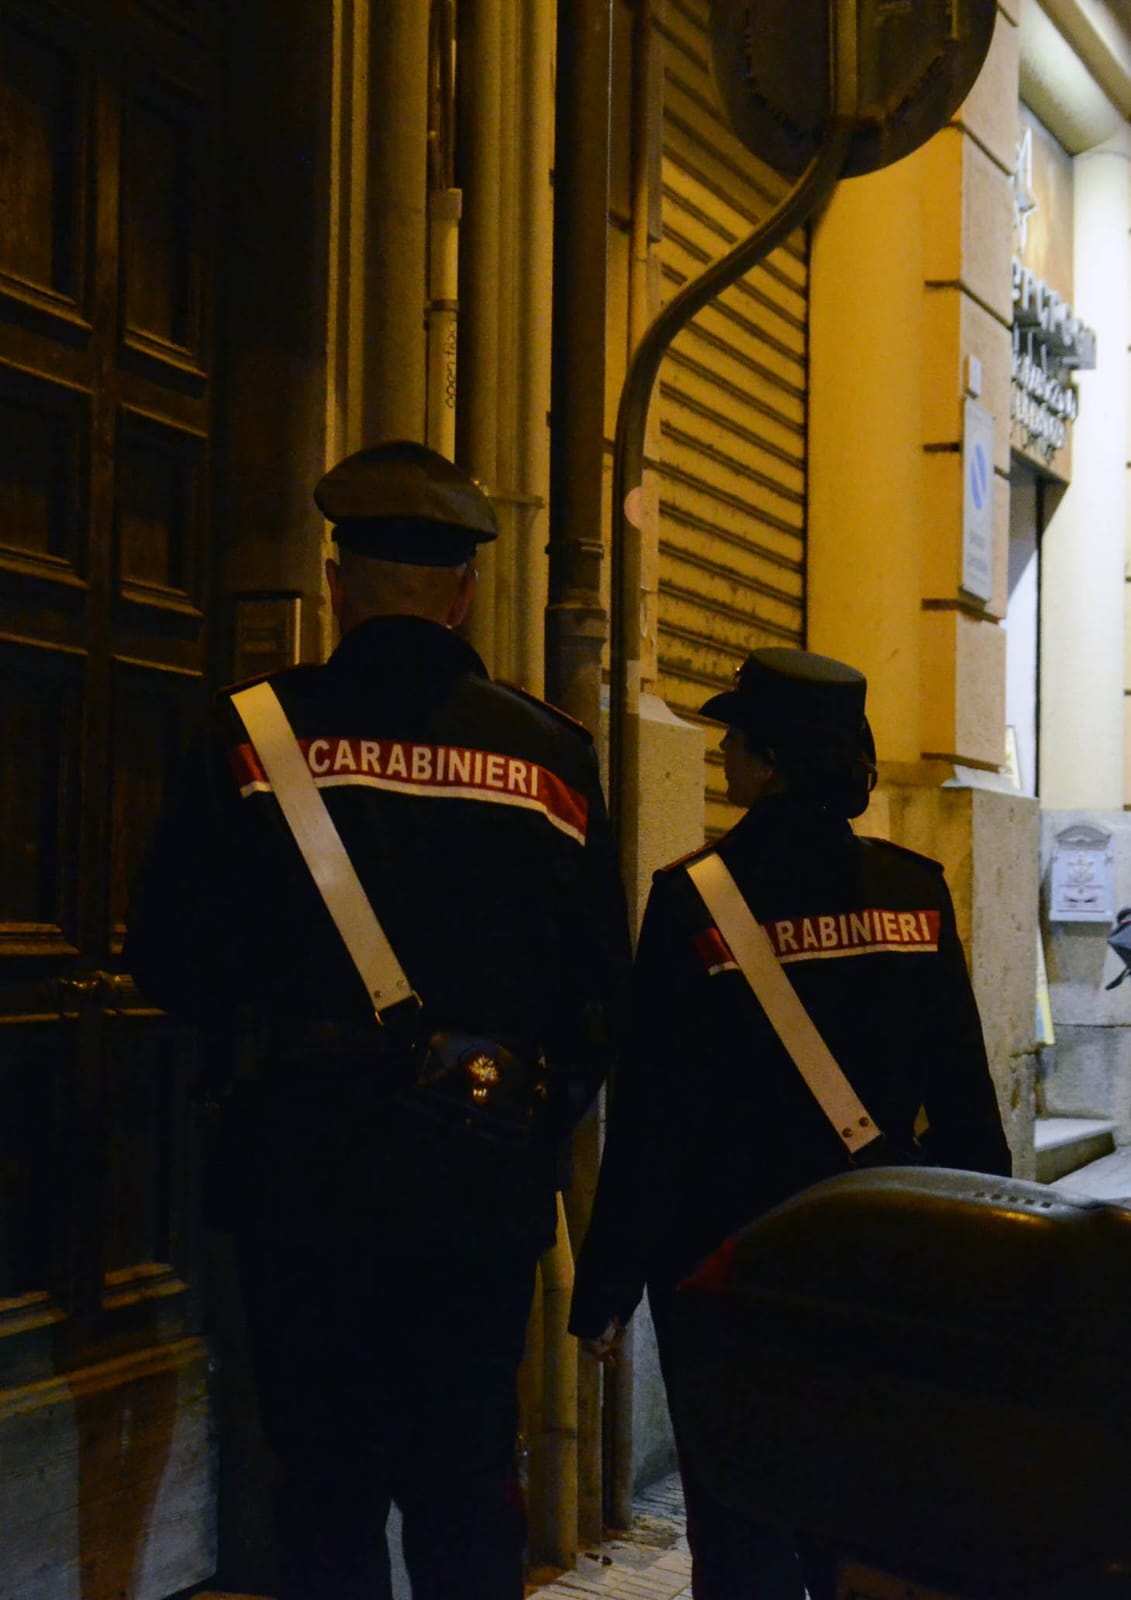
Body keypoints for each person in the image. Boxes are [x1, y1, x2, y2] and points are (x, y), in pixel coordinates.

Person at [125, 439, 630, 1600]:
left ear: (338, 579)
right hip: (478, 1189)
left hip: (303, 1178)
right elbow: (601, 999)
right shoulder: (551, 757)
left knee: (323, 1488)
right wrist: (530, 1121)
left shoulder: (250, 736)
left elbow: (168, 956)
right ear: (464, 590)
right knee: (464, 1484)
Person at [568, 646, 1011, 1600]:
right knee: (865, 1510)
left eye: (734, 739)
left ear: (762, 763)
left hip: (726, 1268)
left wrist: (603, 1290)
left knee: (739, 1524)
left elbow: (653, 1120)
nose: (726, 757)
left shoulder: (695, 902)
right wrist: (979, 1264)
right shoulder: (913, 892)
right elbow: (968, 1109)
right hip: (882, 1256)